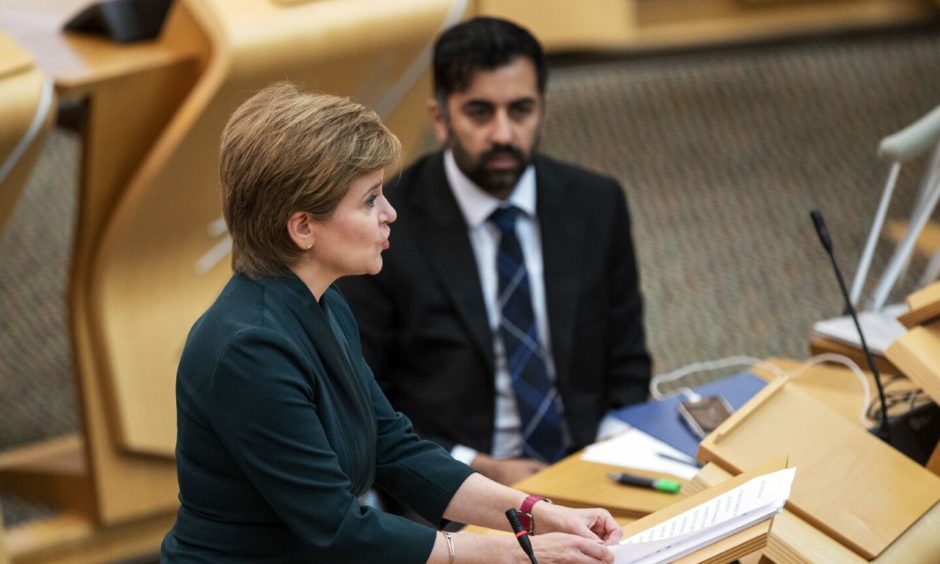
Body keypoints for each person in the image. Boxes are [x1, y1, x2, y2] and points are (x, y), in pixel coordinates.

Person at [159, 82, 622, 562]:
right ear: (302, 227)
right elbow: (337, 528)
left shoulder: (324, 303)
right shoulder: (248, 349)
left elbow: (393, 448)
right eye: (369, 200)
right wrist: (518, 553)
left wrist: (538, 513)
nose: (390, 214)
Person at [337, 17, 652, 486]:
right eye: (480, 113)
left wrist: (612, 451)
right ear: (440, 119)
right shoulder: (383, 224)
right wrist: (475, 467)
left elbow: (627, 359)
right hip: (452, 479)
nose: (503, 134)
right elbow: (363, 398)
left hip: (590, 465)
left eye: (520, 110)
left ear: (542, 108)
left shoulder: (596, 202)